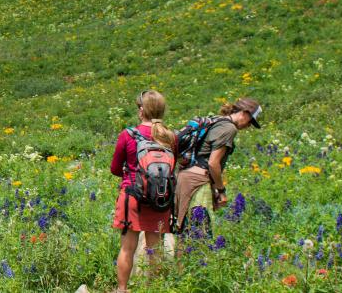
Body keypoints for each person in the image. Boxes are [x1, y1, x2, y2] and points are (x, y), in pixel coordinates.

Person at [110, 89, 176, 292]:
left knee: (127, 248)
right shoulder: (170, 137)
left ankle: (122, 289)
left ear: (141, 110)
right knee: (154, 248)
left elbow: (114, 168)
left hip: (132, 196)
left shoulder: (128, 135)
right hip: (159, 198)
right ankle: (153, 288)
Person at [174, 97, 262, 235]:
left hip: (185, 176)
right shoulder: (229, 128)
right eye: (251, 121)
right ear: (245, 113)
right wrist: (221, 190)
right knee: (198, 233)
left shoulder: (217, 120)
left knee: (183, 230)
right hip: (198, 181)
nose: (249, 126)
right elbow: (213, 163)